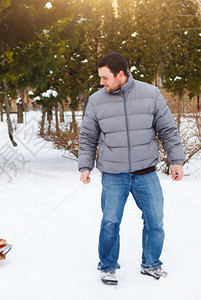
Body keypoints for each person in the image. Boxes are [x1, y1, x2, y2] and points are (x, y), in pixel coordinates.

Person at [78, 52, 185, 285]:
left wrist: (176, 159)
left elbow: (167, 129)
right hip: (113, 175)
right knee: (110, 222)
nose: (101, 82)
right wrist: (85, 166)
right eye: (100, 78)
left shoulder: (151, 94)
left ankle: (151, 264)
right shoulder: (96, 100)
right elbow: (87, 136)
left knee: (155, 221)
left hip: (145, 172)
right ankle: (107, 266)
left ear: (121, 74)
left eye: (105, 77)